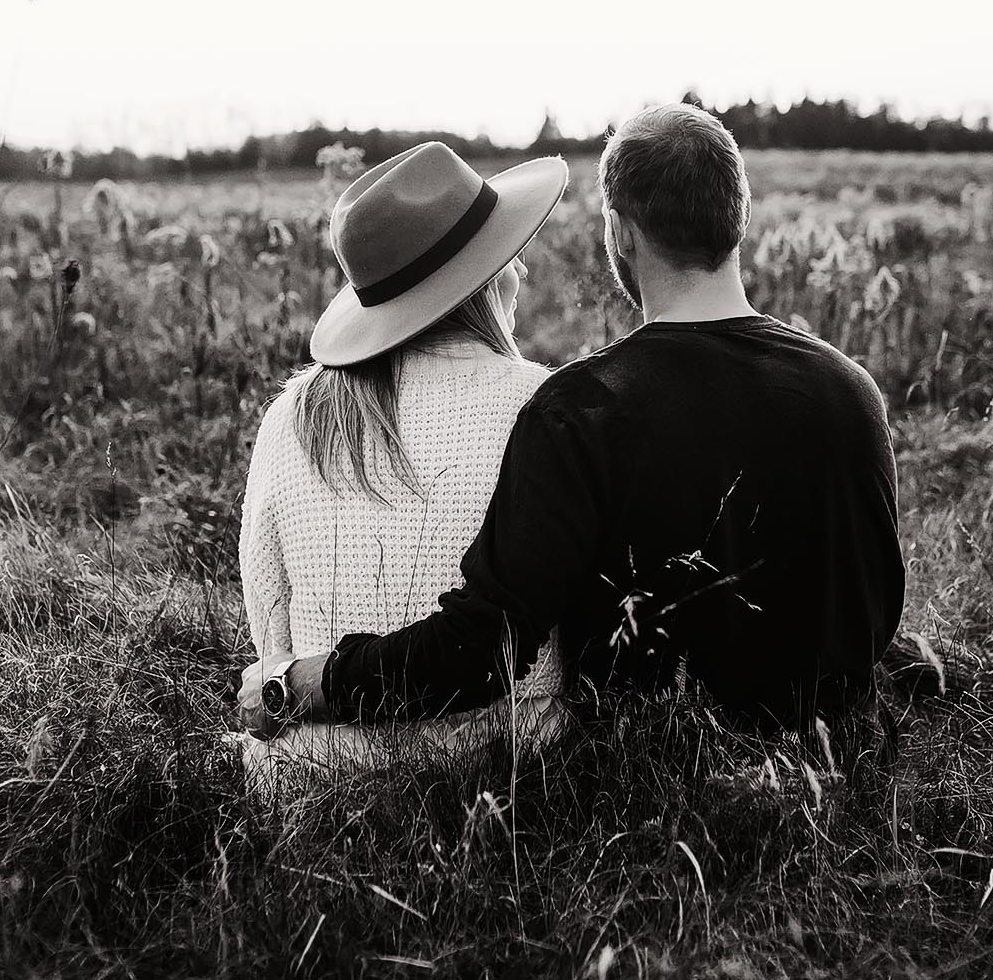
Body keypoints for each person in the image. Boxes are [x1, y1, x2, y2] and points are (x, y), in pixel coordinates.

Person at [239, 103, 905, 746]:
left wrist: (305, 680)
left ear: (620, 231)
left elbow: (484, 646)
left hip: (651, 794)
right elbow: (880, 607)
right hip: (842, 772)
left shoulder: (582, 408)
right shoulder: (854, 390)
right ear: (742, 214)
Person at [237, 141, 571, 789]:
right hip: (507, 766)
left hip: (315, 775)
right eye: (508, 254)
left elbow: (268, 630)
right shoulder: (543, 406)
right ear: (479, 279)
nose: (522, 272)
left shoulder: (288, 419)